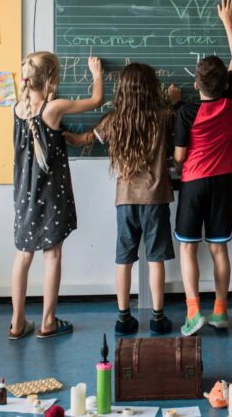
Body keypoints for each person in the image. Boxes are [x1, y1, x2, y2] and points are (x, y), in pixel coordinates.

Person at [64, 62, 180, 336]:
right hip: (156, 198)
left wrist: (61, 134)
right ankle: (157, 318)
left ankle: (123, 318)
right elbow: (180, 129)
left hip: (125, 199)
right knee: (156, 259)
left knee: (124, 259)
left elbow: (82, 140)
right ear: (152, 88)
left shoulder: (114, 120)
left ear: (122, 90)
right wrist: (175, 102)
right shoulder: (164, 116)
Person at [9, 51, 103, 340]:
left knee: (23, 256)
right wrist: (97, 74)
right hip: (51, 194)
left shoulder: (18, 108)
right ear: (51, 79)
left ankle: (17, 322)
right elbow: (96, 100)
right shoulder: (53, 109)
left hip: (24, 192)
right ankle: (48, 321)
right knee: (52, 254)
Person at [174, 0, 232, 336]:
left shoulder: (186, 112)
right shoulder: (229, 103)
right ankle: (220, 311)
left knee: (188, 247)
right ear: (225, 84)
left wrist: (176, 106)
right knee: (219, 247)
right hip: (222, 183)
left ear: (195, 84)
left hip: (193, 183)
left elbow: (179, 156)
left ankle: (193, 312)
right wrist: (227, 22)